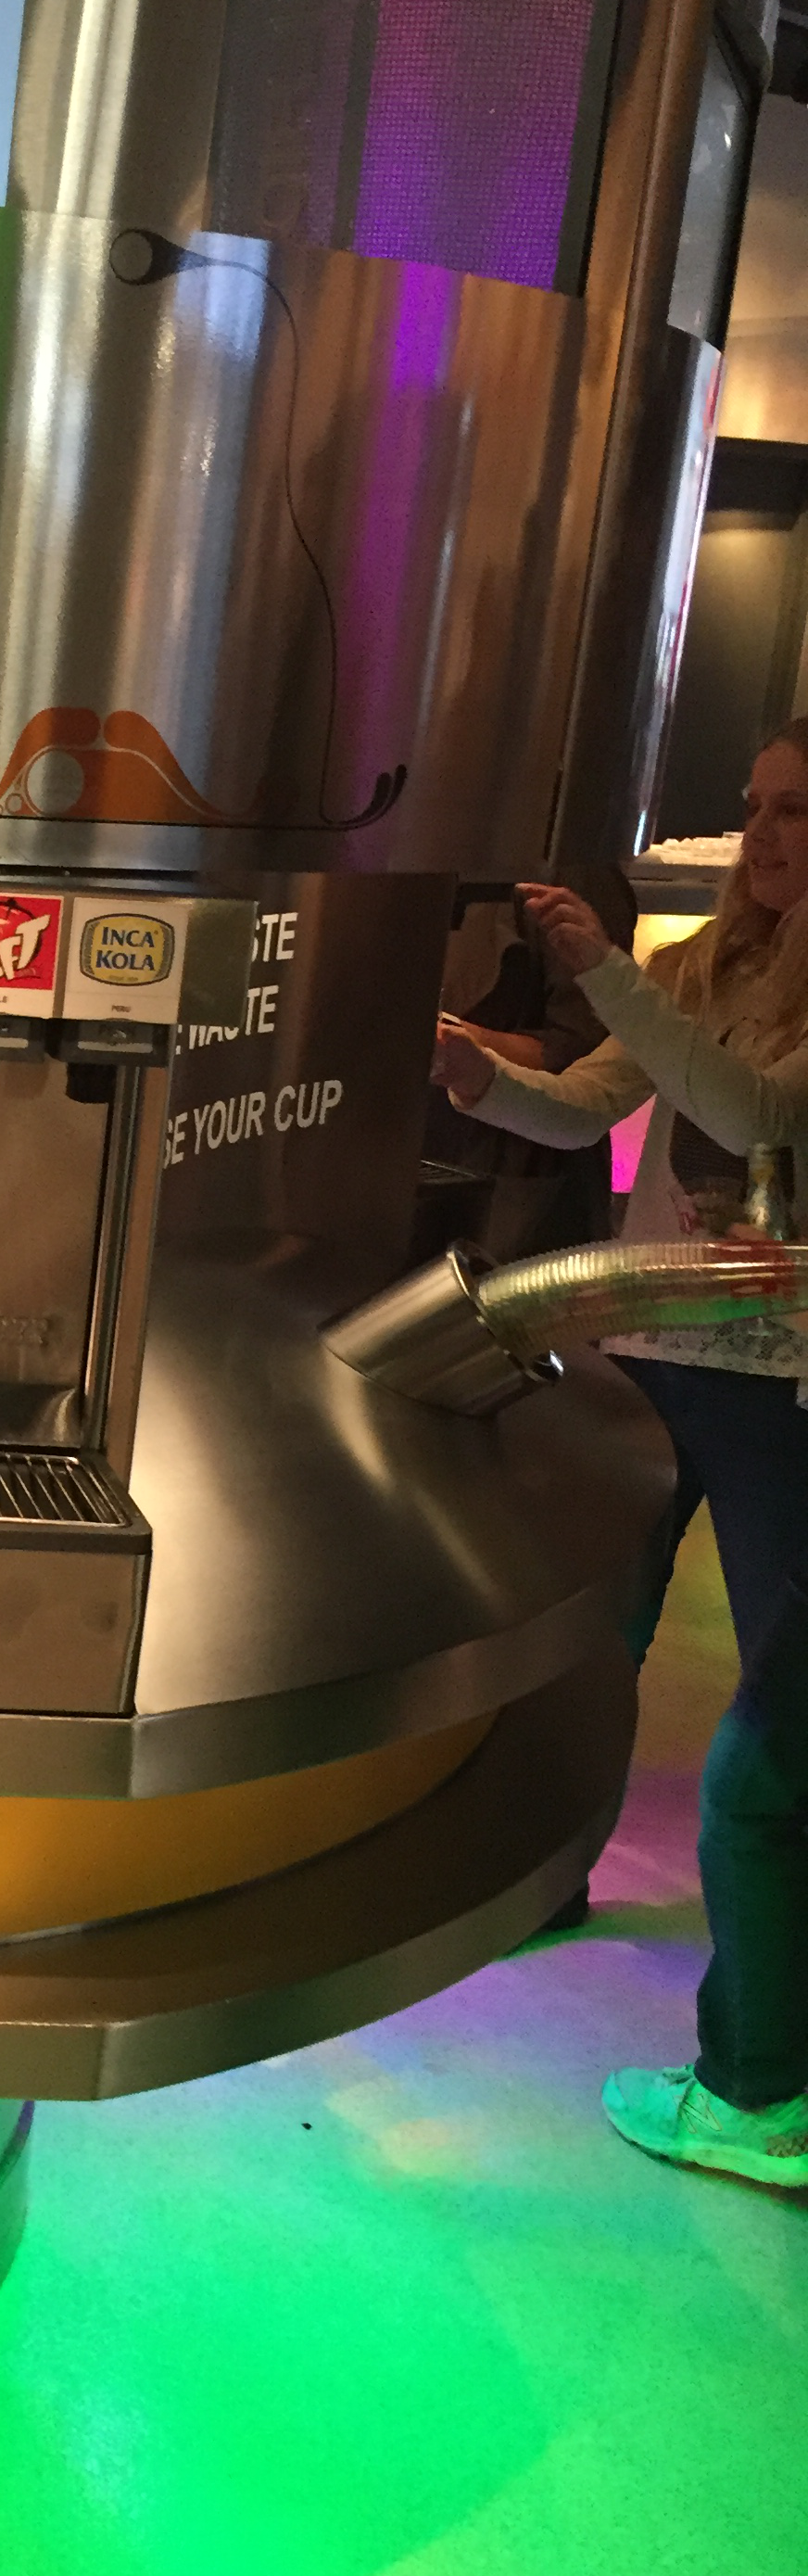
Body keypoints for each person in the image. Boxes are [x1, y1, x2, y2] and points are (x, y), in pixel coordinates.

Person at [430, 717, 808, 2190]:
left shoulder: (680, 985)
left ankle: (757, 2081)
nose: (767, 835)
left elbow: (754, 1112)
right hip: (658, 1360)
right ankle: (546, 1873)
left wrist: (597, 969)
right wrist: (478, 1082)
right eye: (755, 808)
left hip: (781, 1393)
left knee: (772, 1749)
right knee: (598, 1644)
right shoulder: (703, 967)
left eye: (799, 813)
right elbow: (594, 1099)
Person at [422, 866, 638, 1261]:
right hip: (424, 1164)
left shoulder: (572, 871)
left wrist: (445, 1037)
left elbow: (576, 1059)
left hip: (523, 1183)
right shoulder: (418, 856)